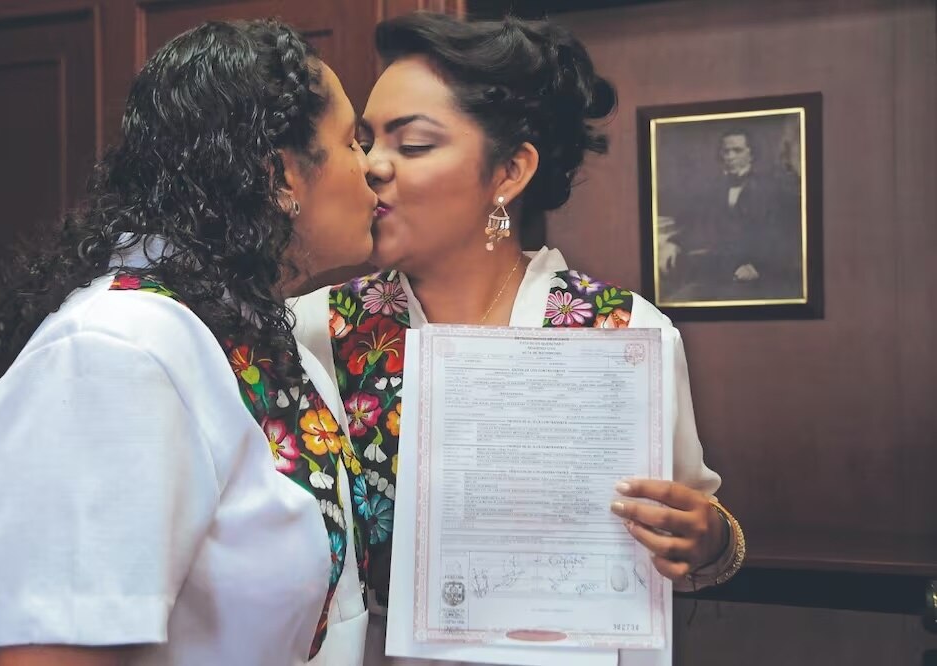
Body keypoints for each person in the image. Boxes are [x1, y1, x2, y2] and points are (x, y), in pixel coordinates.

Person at [290, 12, 745, 665]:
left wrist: (705, 538)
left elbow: (699, 523)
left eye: (412, 144)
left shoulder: (624, 333)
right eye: (364, 142)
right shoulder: (316, 330)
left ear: (508, 173)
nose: (373, 167)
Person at [0, 19, 379, 666]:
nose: (375, 169)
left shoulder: (266, 342)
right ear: (280, 176)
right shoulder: (118, 351)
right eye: (352, 142)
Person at [662, 127, 803, 302]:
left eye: (737, 150)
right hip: (717, 273)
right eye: (726, 151)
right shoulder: (714, 188)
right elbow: (697, 223)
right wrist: (673, 243)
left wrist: (759, 268)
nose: (730, 157)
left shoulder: (771, 188)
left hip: (762, 278)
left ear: (751, 154)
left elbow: (785, 238)